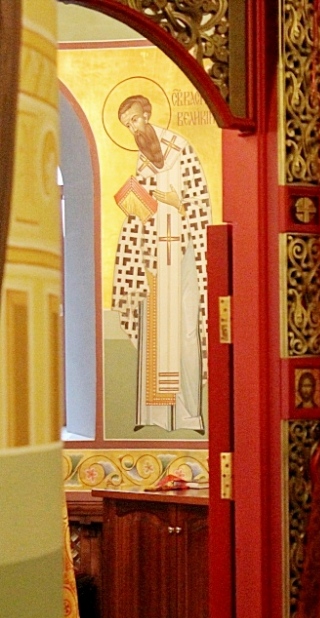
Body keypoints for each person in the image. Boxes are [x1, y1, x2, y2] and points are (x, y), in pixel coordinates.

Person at [111, 94, 210, 433]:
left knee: (186, 332)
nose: (134, 129)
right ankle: (156, 416)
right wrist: (135, 210)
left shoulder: (181, 150)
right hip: (155, 260)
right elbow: (142, 213)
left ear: (148, 113)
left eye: (135, 120)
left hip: (185, 254)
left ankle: (190, 414)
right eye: (128, 125)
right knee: (156, 332)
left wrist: (178, 204)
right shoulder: (142, 162)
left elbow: (200, 200)